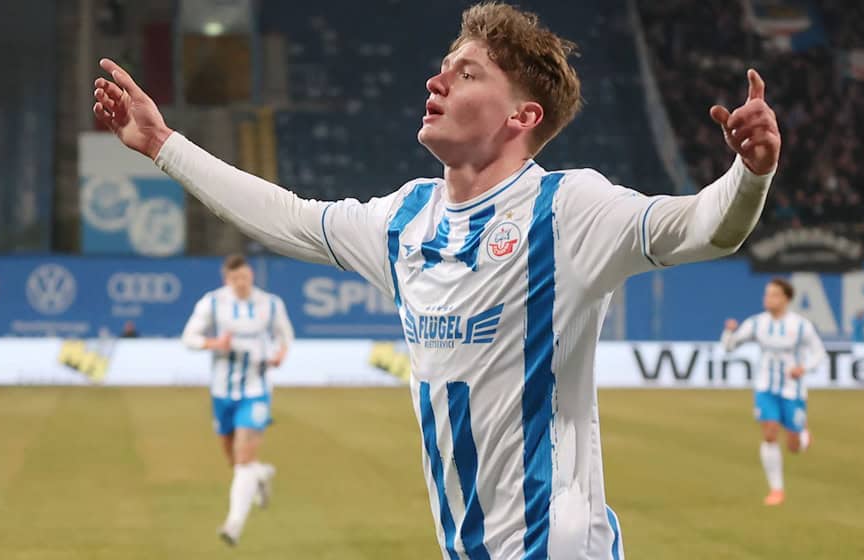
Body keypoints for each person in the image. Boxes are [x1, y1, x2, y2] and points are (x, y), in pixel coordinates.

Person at [93, 3, 780, 556]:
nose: (437, 81)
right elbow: (289, 220)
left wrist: (750, 174)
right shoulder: (405, 219)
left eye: (468, 72)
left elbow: (702, 227)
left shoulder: (568, 210)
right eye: (444, 66)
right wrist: (163, 145)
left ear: (522, 116)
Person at [181, 254, 293, 545]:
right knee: (235, 460)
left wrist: (281, 354)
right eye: (234, 279)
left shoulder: (270, 304)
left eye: (244, 277)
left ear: (251, 275)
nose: (241, 283)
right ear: (226, 279)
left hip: (256, 390)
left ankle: (233, 525)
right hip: (222, 391)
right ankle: (262, 474)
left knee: (243, 458)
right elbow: (189, 337)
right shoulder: (213, 302)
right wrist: (214, 343)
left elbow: (286, 335)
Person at [721, 278, 824, 506]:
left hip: (792, 391)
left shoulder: (800, 326)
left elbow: (819, 353)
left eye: (774, 295)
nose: (768, 299)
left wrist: (804, 368)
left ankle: (802, 434)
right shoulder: (757, 323)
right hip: (765, 387)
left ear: (786, 299)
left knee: (794, 447)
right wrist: (729, 332)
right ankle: (776, 489)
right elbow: (730, 346)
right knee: (769, 433)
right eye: (767, 294)